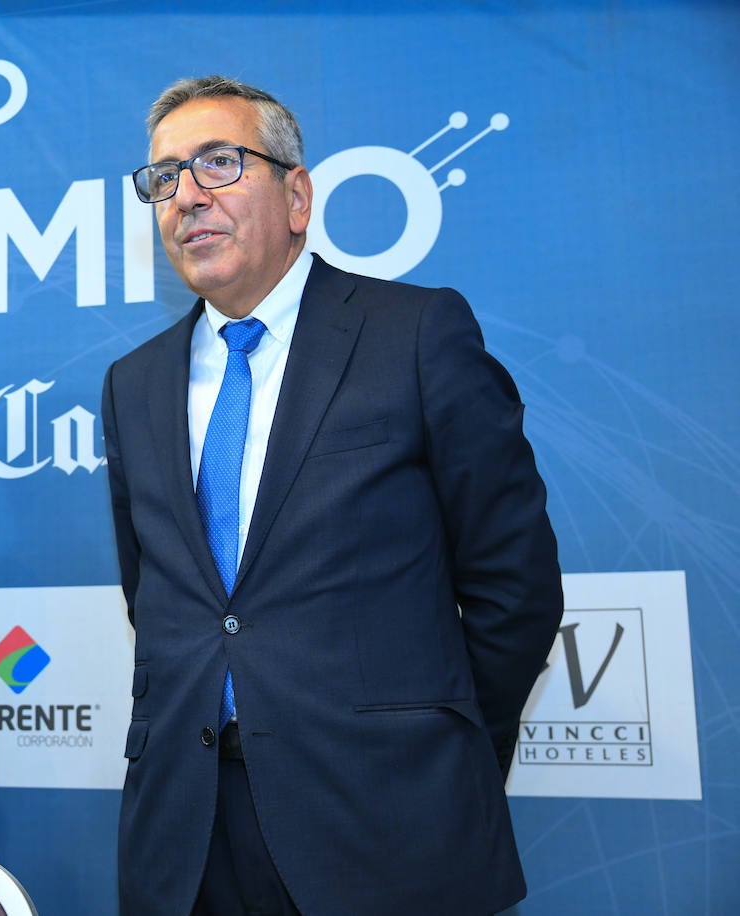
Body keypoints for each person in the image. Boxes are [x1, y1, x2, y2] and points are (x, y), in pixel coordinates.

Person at [101, 76, 564, 915]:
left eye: (218, 162)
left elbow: (514, 588)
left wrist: (436, 747)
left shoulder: (417, 333)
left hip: (389, 820)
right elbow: (164, 600)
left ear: (298, 195)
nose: (187, 196)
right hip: (188, 836)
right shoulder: (132, 384)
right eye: (164, 178)